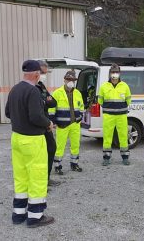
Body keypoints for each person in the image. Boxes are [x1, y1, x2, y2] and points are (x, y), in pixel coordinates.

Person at [5, 60, 54, 228]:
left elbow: (7, 112)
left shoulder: (15, 89)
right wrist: (48, 123)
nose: (40, 75)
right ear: (35, 74)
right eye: (39, 72)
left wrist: (20, 120)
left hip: (17, 138)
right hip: (33, 140)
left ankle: (18, 214)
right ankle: (35, 216)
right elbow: (36, 116)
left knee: (21, 177)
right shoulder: (33, 91)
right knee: (37, 177)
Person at [51, 70, 84, 175]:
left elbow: (81, 107)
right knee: (60, 146)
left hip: (75, 124)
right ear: (64, 80)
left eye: (73, 80)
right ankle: (57, 166)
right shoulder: (57, 93)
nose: (71, 81)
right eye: (69, 79)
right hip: (62, 125)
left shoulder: (78, 93)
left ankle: (74, 164)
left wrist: (80, 117)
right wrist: (53, 121)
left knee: (75, 145)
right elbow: (51, 109)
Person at [98, 63, 131, 166]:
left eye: (116, 72)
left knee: (123, 136)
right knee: (107, 137)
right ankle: (106, 158)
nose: (114, 74)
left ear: (119, 73)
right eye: (113, 72)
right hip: (109, 116)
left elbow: (128, 100)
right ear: (109, 73)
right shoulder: (104, 86)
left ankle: (125, 157)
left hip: (121, 116)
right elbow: (100, 100)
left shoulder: (125, 86)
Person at [36, 60, 60, 187]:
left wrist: (45, 101)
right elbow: (40, 105)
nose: (44, 75)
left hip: (46, 124)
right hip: (37, 126)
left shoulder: (41, 86)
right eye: (42, 72)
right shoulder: (32, 87)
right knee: (39, 154)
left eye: (45, 72)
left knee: (51, 148)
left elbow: (53, 102)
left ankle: (46, 178)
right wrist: (46, 102)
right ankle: (40, 181)